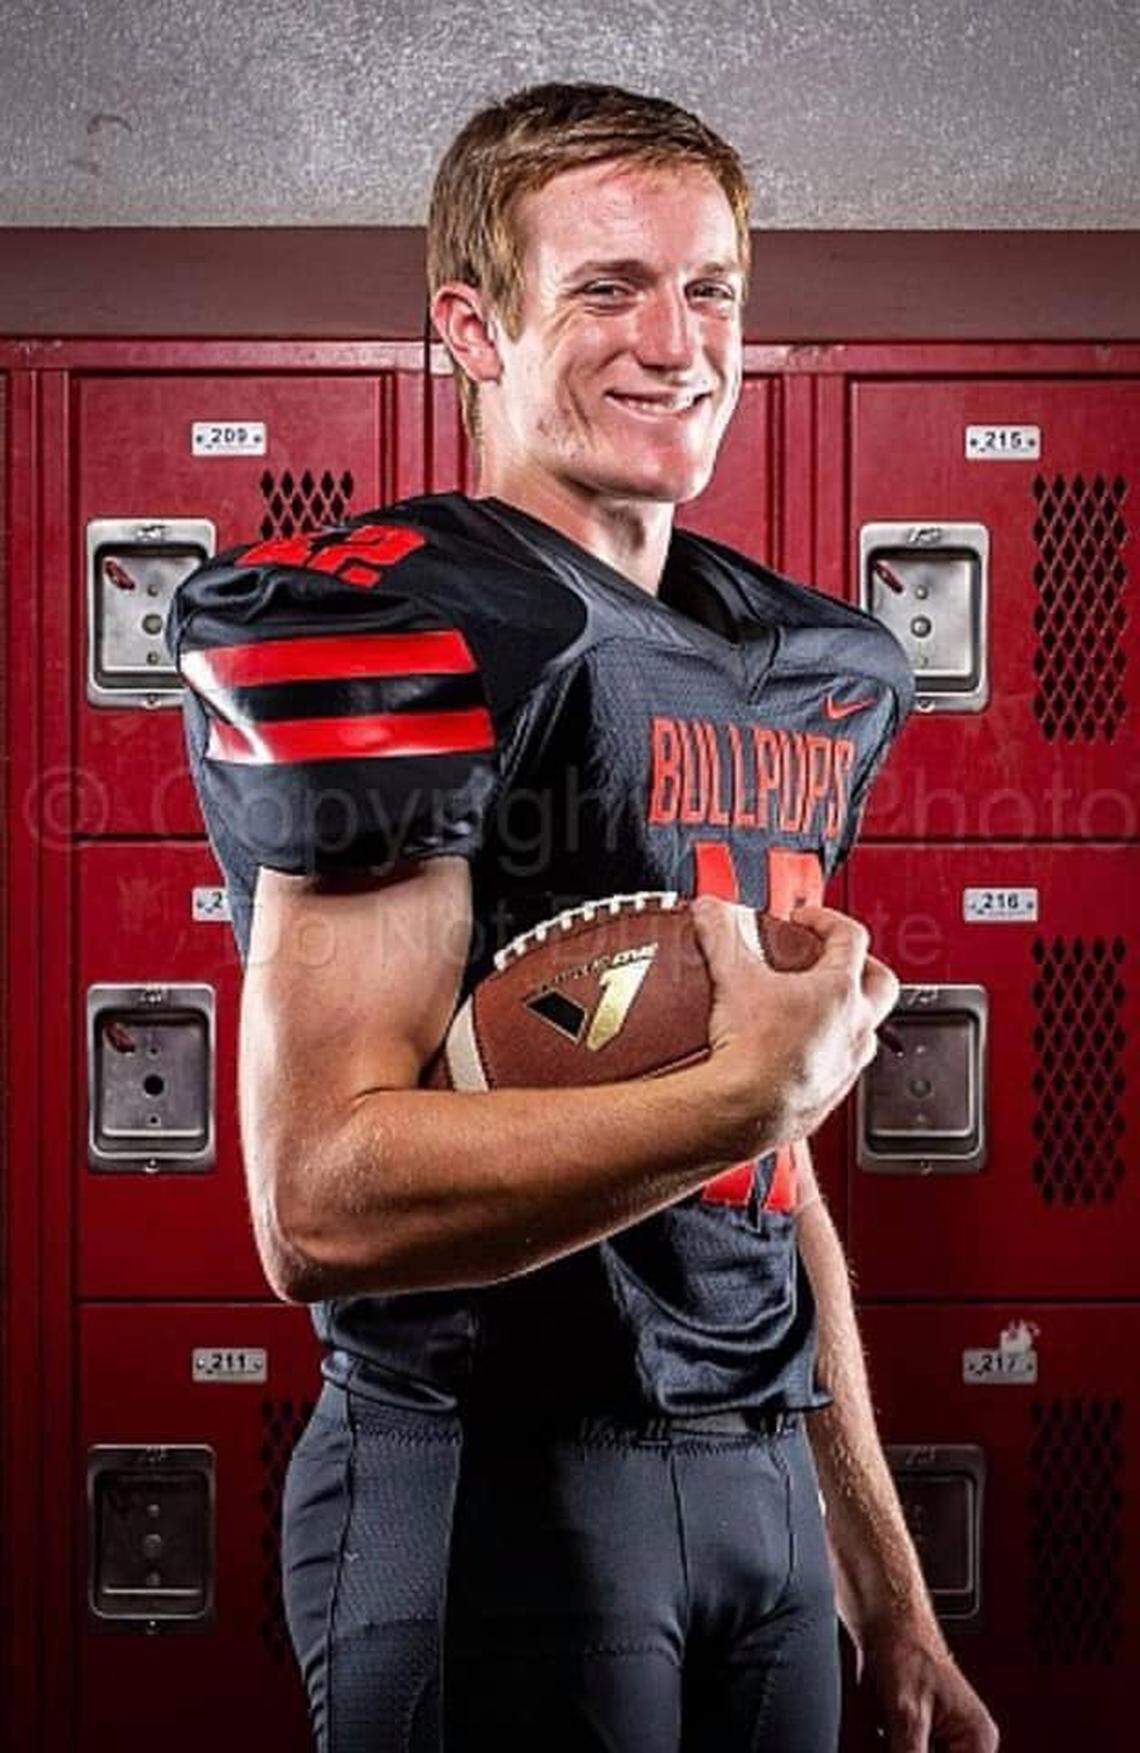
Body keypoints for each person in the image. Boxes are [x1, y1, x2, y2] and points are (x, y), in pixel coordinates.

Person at [167, 81, 999, 1753]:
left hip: (762, 1491)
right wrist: (749, 1097)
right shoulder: (409, 621)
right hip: (493, 1475)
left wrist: (886, 1586)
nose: (675, 341)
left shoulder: (800, 665)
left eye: (712, 292)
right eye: (608, 287)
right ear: (471, 329)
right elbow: (316, 1201)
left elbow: (759, 1176)